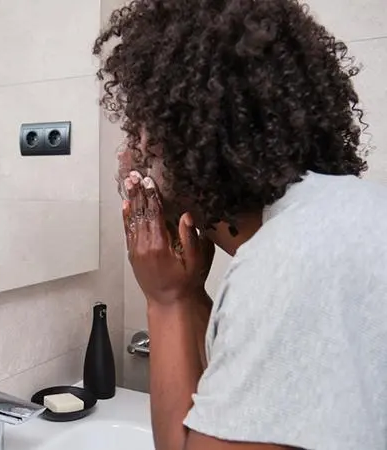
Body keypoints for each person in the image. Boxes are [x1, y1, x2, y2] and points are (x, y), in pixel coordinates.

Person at [95, 0, 387, 449]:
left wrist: (166, 299)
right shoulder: (348, 210)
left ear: (179, 138)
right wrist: (189, 291)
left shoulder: (286, 260)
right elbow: (245, 403)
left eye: (140, 132)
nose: (131, 151)